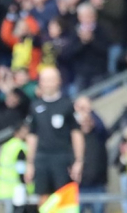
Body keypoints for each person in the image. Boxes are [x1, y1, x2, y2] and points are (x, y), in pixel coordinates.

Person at [25, 67, 84, 208]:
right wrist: (30, 163)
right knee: (43, 197)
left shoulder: (67, 104)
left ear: (59, 81)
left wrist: (79, 160)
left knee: (64, 197)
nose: (48, 83)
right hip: (42, 158)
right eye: (45, 80)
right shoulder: (35, 105)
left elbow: (76, 133)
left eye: (52, 79)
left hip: (62, 157)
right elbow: (32, 136)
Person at [0, 123, 33, 213]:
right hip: (17, 188)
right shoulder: (21, 146)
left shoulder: (8, 145)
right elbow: (21, 168)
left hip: (4, 188)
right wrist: (24, 184)